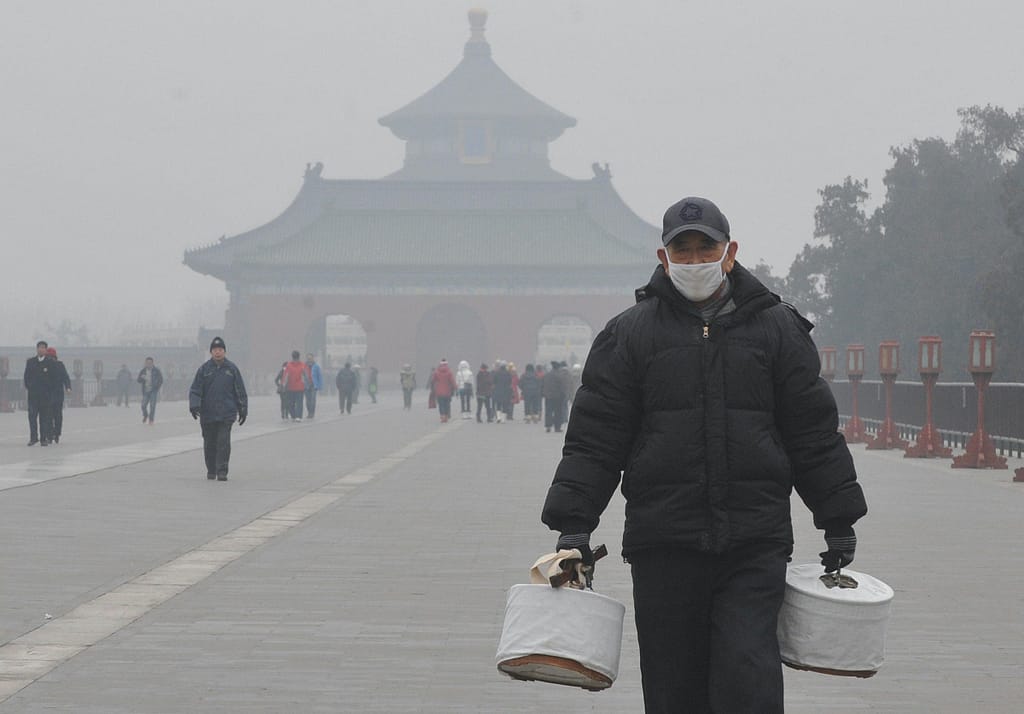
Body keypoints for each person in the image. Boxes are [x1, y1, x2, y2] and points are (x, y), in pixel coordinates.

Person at [541, 196, 867, 713]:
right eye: (683, 251)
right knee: (674, 690)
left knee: (749, 678)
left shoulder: (778, 330)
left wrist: (839, 518)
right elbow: (596, 438)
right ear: (664, 257)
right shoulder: (629, 335)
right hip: (663, 542)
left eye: (705, 248)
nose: (695, 261)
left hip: (753, 542)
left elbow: (813, 433)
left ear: (730, 252)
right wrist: (574, 525)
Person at [189, 336, 248, 482]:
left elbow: (240, 391)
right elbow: (195, 389)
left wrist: (243, 408)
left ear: (225, 352)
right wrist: (194, 405)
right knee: (209, 443)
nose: (218, 352)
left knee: (223, 442)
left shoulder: (232, 369)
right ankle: (211, 469)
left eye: (220, 349)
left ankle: (222, 471)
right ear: (211, 352)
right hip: (208, 413)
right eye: (215, 350)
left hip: (226, 413)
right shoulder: (204, 370)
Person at [23, 341, 53, 446]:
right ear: (36, 349)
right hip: (33, 396)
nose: (41, 349)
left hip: (45, 396)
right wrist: (29, 387)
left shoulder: (50, 362)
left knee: (43, 418)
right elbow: (26, 377)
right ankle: (33, 438)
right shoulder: (30, 362)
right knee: (32, 417)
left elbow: (53, 379)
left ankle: (43, 439)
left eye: (43, 348)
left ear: (46, 350)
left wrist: (49, 391)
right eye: (39, 347)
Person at [45, 347, 71, 444]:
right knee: (50, 415)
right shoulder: (45, 366)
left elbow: (65, 377)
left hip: (56, 394)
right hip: (49, 394)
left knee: (56, 415)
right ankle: (51, 434)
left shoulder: (60, 365)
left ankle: (55, 433)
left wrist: (68, 387)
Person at [281, 351, 309, 421]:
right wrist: (307, 383)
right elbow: (306, 376)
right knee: (299, 403)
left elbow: (285, 376)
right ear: (299, 357)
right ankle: (298, 416)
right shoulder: (303, 365)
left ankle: (294, 416)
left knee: (291, 403)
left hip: (291, 387)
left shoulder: (288, 365)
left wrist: (283, 385)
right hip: (300, 387)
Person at [427, 358, 457, 423]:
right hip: (447, 392)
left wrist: (432, 387)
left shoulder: (437, 372)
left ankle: (442, 416)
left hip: (439, 392)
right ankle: (446, 416)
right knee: (447, 404)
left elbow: (433, 381)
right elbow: (452, 381)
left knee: (441, 404)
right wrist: (455, 388)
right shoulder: (449, 372)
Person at [541, 361, 568, 433]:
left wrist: (543, 393)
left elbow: (543, 384)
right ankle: (557, 427)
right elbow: (563, 386)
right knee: (558, 412)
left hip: (548, 396)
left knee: (548, 411)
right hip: (557, 397)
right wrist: (564, 394)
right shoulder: (559, 375)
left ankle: (548, 426)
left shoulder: (547, 375)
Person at [137, 357, 164, 425]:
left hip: (153, 391)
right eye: (147, 363)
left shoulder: (156, 370)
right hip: (145, 391)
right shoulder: (143, 371)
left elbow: (161, 380)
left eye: (150, 363)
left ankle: (151, 419)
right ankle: (145, 415)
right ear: (145, 363)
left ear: (152, 363)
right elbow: (138, 380)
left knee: (152, 406)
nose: (148, 364)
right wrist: (142, 378)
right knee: (143, 405)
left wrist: (157, 387)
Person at [305, 353, 322, 418]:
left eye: (310, 358)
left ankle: (312, 413)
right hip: (306, 385)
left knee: (313, 400)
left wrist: (319, 386)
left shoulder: (316, 366)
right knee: (307, 401)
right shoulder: (304, 366)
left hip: (314, 385)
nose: (309, 360)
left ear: (313, 358)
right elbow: (301, 375)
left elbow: (319, 376)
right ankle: (309, 412)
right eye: (308, 358)